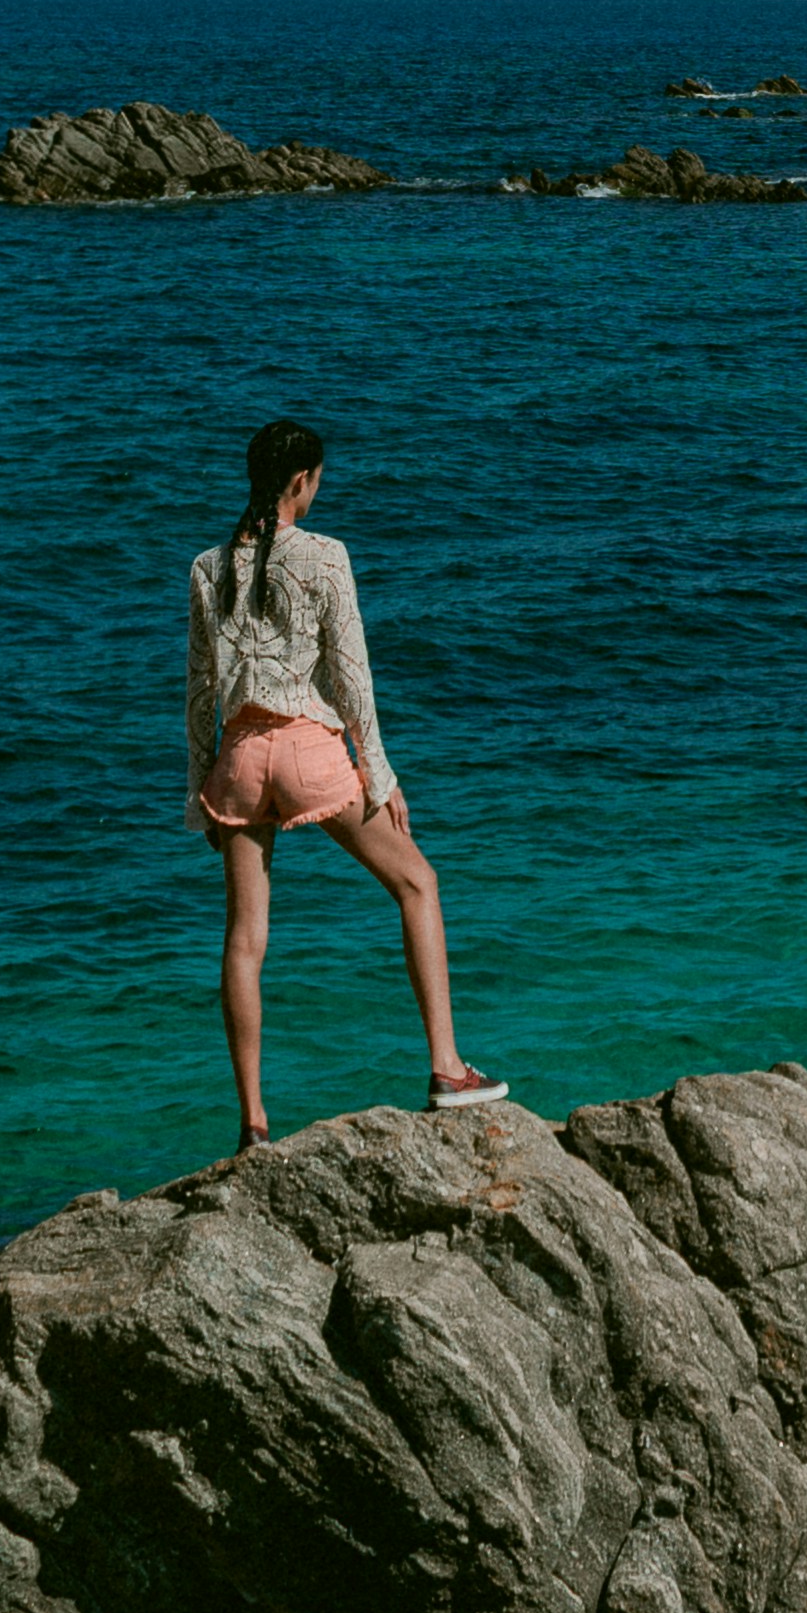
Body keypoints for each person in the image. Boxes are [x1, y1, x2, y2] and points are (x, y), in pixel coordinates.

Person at [188, 417, 502, 1140]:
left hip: (235, 759)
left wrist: (196, 793)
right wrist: (383, 775)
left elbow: (199, 695)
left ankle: (254, 1124)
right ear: (302, 482)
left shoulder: (207, 567)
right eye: (318, 480)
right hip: (306, 751)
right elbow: (353, 680)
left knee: (244, 939)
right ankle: (449, 1069)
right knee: (417, 883)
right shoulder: (326, 557)